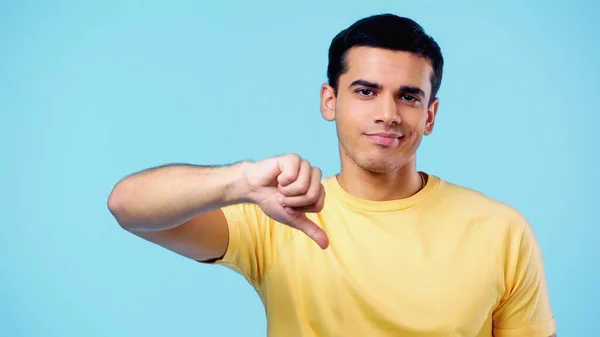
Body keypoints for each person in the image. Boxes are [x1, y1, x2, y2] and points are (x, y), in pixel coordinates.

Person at [107, 13, 556, 337]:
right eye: (366, 91)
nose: (387, 114)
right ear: (330, 101)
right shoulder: (278, 214)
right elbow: (128, 207)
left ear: (430, 114)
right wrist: (239, 182)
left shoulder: (501, 231)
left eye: (408, 97)